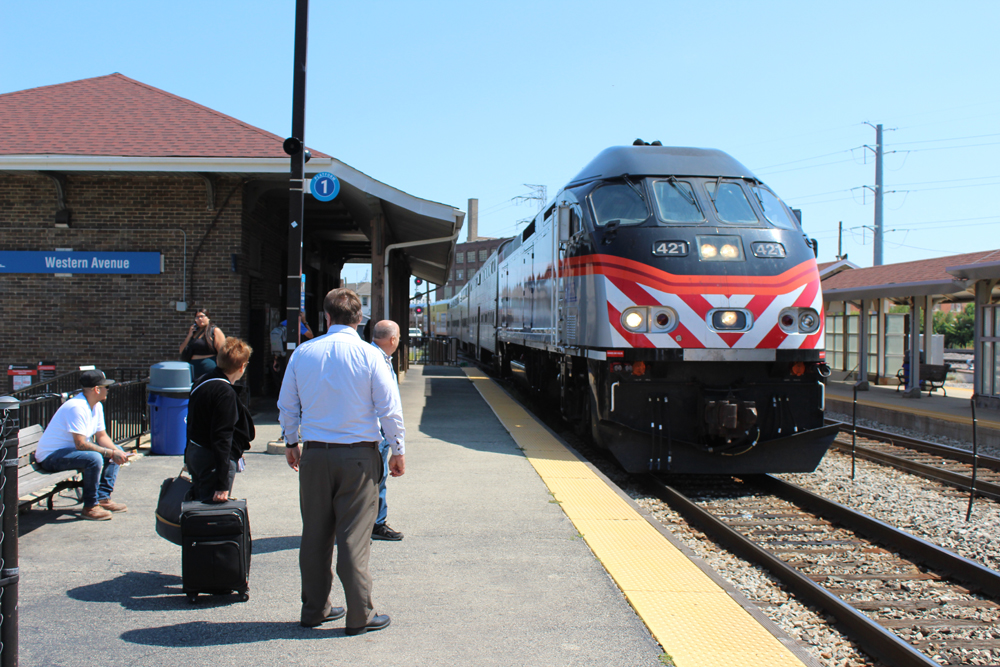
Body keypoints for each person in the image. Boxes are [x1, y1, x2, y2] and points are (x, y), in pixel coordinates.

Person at [279, 288, 405, 634]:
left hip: (315, 455)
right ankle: (359, 614)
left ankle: (315, 609)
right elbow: (388, 408)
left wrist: (291, 440)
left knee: (315, 535)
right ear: (360, 319)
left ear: (328, 318)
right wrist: (398, 449)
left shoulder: (303, 352)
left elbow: (288, 403)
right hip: (359, 457)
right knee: (353, 537)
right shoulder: (371, 355)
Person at [34, 370, 132, 521]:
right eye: (106, 387)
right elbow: (80, 444)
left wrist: (117, 452)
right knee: (94, 458)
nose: (108, 390)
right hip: (51, 457)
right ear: (96, 389)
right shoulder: (77, 407)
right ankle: (90, 507)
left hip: (69, 452)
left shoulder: (96, 406)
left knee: (116, 449)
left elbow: (102, 436)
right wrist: (111, 454)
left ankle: (103, 498)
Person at [185, 337, 255, 502]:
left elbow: (191, 423)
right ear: (242, 367)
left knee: (199, 504)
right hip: (213, 461)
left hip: (196, 452)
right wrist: (222, 484)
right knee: (211, 514)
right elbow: (222, 437)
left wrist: (187, 457)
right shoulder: (225, 393)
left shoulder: (201, 381)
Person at [370, 320, 403, 541]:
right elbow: (388, 408)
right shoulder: (376, 360)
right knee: (377, 480)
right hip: (376, 433)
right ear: (393, 340)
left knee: (375, 480)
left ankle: (372, 523)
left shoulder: (376, 357)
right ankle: (375, 524)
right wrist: (397, 447)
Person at [180, 308, 226, 381]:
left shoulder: (214, 331)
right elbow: (182, 350)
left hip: (209, 367)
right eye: (197, 317)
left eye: (202, 316)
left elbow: (222, 351)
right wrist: (189, 335)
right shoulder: (194, 332)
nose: (200, 319)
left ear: (208, 318)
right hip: (193, 368)